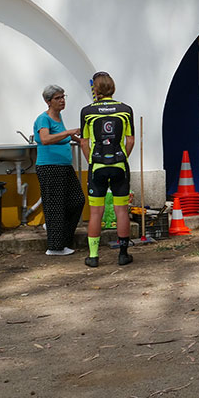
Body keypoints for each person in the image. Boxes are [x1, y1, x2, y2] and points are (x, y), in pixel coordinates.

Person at [79, 72, 135, 268]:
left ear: (95, 89)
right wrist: (123, 157)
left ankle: (93, 256)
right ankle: (123, 255)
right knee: (121, 210)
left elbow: (84, 142)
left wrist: (91, 161)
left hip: (97, 165)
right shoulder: (125, 110)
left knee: (96, 212)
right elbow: (130, 140)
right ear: (113, 87)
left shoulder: (87, 111)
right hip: (119, 165)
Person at [34, 85, 84, 256]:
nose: (62, 100)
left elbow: (62, 134)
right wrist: (69, 132)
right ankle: (55, 247)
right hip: (49, 167)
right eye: (58, 98)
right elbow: (45, 139)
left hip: (64, 167)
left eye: (63, 97)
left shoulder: (58, 117)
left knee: (77, 200)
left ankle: (60, 234)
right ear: (48, 101)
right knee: (55, 205)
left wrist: (79, 139)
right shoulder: (43, 119)